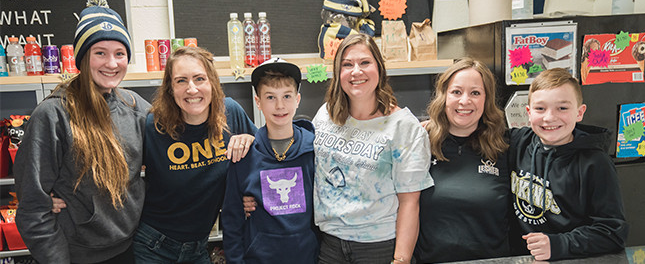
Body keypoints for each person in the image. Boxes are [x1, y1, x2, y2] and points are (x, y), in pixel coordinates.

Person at [14, 0, 151, 264]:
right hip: (78, 255)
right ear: (82, 57)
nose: (111, 64)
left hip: (132, 248)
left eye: (119, 54)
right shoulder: (53, 115)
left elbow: (177, 145)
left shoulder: (135, 106)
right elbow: (32, 207)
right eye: (100, 52)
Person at [313, 34, 433, 264]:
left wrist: (401, 259)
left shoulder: (403, 127)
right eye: (347, 65)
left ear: (379, 68)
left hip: (379, 247)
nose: (356, 71)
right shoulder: (325, 115)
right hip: (329, 243)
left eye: (365, 62)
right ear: (338, 74)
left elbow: (410, 202)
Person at [135, 46, 257, 263]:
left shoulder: (230, 113)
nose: (192, 89)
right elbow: (119, 173)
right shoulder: (153, 127)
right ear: (170, 89)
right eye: (181, 81)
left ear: (212, 82)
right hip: (152, 246)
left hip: (199, 247)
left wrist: (252, 140)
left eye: (199, 79)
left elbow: (268, 157)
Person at [508, 68, 627, 261]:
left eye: (562, 108)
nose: (549, 117)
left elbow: (613, 232)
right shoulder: (518, 142)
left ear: (579, 113)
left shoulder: (596, 163)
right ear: (529, 113)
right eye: (540, 108)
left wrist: (558, 245)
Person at [412, 58, 517, 263]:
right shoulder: (419, 141)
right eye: (456, 92)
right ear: (444, 97)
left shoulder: (507, 145)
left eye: (475, 93)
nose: (464, 101)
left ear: (487, 100)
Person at [222, 59, 319, 263]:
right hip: (258, 258)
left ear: (298, 99)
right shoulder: (243, 154)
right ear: (258, 102)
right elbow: (232, 219)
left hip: (307, 256)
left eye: (286, 96)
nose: (280, 105)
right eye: (270, 97)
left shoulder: (314, 150)